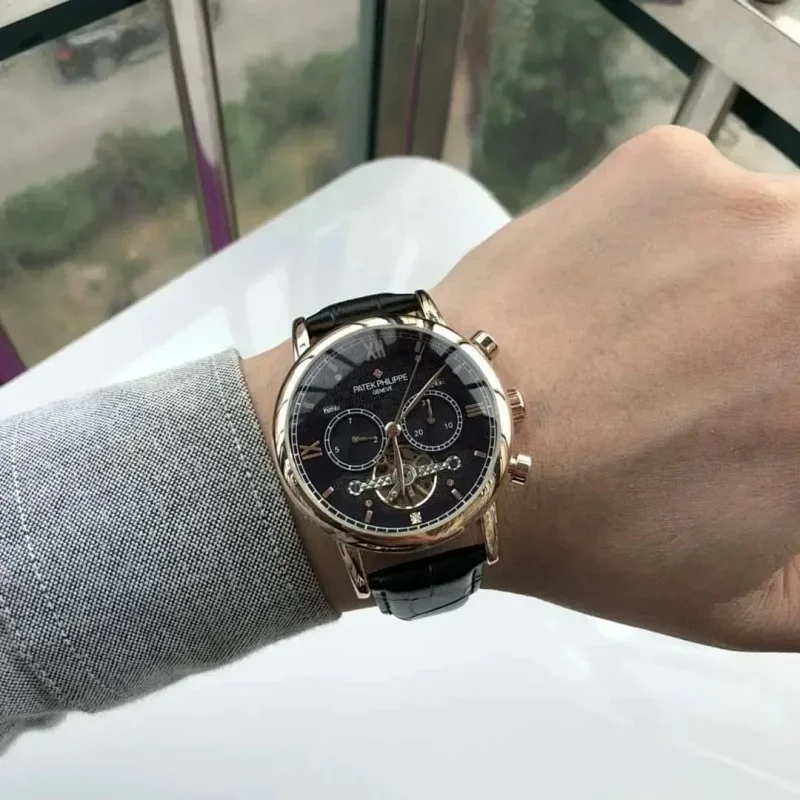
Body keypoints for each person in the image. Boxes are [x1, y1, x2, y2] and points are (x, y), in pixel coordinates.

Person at [2, 126, 800, 754]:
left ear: (505, 410)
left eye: (423, 416)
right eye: (366, 431)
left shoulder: (477, 440)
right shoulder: (363, 480)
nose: (390, 431)